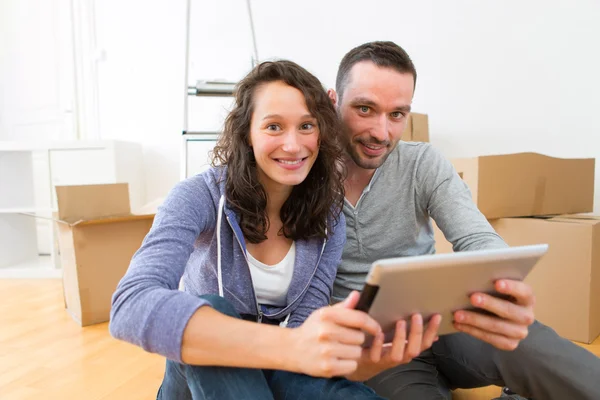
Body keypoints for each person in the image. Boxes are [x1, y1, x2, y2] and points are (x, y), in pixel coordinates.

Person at [109, 60, 398, 400]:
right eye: (274, 127)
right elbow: (129, 306)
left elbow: (307, 322)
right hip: (201, 371)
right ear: (246, 132)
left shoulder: (328, 216)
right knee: (213, 310)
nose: (293, 145)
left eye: (306, 126)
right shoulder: (197, 196)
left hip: (278, 365)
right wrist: (289, 345)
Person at [327, 41, 600, 400]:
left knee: (539, 350)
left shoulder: (422, 163)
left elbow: (477, 238)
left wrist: (504, 288)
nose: (382, 132)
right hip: (377, 349)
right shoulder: (300, 175)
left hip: (447, 321)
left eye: (397, 114)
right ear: (332, 101)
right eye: (365, 109)